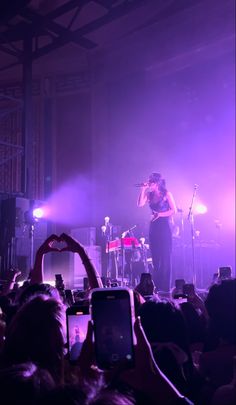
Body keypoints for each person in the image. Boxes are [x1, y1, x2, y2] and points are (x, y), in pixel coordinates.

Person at [137, 172, 177, 292]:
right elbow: (140, 204)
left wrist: (160, 214)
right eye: (149, 181)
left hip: (164, 226)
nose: (149, 183)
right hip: (154, 227)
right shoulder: (149, 194)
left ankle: (166, 287)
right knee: (156, 257)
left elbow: (173, 210)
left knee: (165, 257)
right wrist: (142, 190)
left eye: (151, 182)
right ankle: (157, 286)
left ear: (157, 183)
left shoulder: (167, 194)